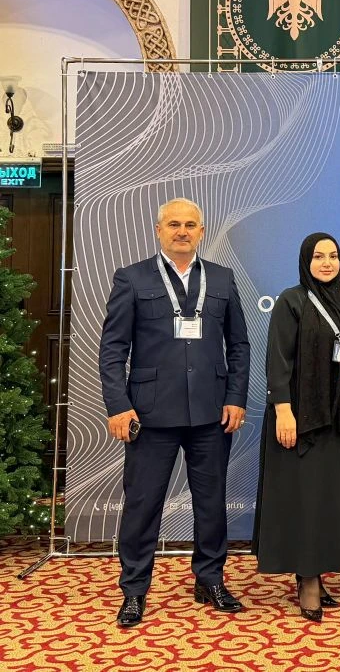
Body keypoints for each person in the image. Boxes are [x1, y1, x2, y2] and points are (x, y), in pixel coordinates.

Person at [99, 197, 250, 628]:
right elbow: (113, 350)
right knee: (142, 504)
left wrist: (235, 397)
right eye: (173, 224)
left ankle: (210, 579)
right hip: (149, 415)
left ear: (201, 231)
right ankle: (134, 590)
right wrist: (119, 405)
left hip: (211, 412)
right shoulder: (131, 278)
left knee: (211, 502)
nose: (182, 231)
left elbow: (239, 345)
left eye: (190, 225)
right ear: (159, 230)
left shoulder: (222, 277)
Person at [251, 233, 340, 622]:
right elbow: (278, 360)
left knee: (326, 500)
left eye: (333, 256)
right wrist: (283, 411)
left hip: (337, 417)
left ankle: (318, 569)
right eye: (319, 256)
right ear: (306, 261)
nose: (327, 263)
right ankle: (308, 579)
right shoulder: (292, 300)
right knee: (303, 501)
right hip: (300, 417)